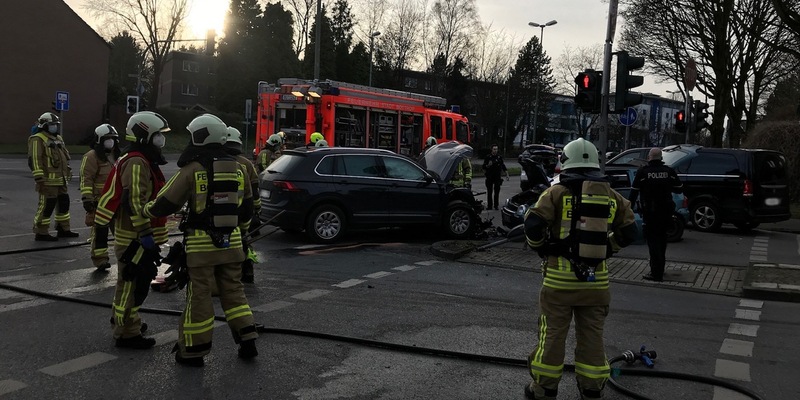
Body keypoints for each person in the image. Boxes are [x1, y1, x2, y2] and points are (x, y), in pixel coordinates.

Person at [523, 138, 638, 400]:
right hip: (596, 284)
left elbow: (533, 225)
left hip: (558, 284)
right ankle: (592, 388)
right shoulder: (612, 196)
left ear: (565, 162)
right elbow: (630, 231)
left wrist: (541, 247)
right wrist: (608, 248)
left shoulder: (555, 193)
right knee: (592, 336)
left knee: (553, 335)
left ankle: (544, 388)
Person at [143, 114, 258, 367]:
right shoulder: (239, 168)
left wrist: (145, 210)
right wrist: (241, 236)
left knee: (200, 296)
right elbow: (247, 210)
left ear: (199, 136)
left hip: (201, 248)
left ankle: (194, 351)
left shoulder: (193, 169)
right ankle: (248, 339)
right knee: (234, 291)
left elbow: (166, 202)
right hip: (233, 244)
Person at [93, 111, 171, 350]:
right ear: (145, 134)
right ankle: (127, 332)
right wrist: (146, 233)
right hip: (134, 236)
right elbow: (134, 201)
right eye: (158, 135)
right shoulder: (137, 161)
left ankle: (125, 321)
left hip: (134, 234)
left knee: (131, 282)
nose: (161, 139)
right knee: (133, 283)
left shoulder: (138, 158)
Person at [629, 147, 683, 282]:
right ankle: (660, 269)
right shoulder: (669, 171)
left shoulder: (643, 172)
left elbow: (633, 193)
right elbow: (679, 188)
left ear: (649, 158)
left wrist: (628, 209)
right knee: (662, 241)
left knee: (653, 243)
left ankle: (655, 273)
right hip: (666, 212)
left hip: (650, 212)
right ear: (661, 158)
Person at [27, 112, 80, 241]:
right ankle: (41, 232)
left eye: (56, 124)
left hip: (61, 180)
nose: (54, 127)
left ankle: (63, 229)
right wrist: (39, 178)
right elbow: (35, 159)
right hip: (47, 181)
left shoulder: (58, 139)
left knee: (64, 204)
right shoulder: (37, 139)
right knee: (47, 206)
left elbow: (64, 157)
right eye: (52, 125)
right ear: (44, 125)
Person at [80, 124, 121, 270]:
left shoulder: (118, 156)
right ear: (99, 140)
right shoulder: (91, 157)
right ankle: (100, 260)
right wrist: (87, 199)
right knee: (100, 233)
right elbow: (86, 179)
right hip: (100, 202)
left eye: (113, 138)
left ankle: (125, 258)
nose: (110, 141)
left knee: (121, 232)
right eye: (107, 138)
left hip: (117, 201)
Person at [225, 126, 261, 283]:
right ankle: (247, 269)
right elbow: (254, 191)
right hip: (242, 212)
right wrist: (256, 211)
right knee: (244, 241)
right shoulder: (246, 164)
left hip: (222, 213)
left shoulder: (215, 162)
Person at [482, 144, 509, 210]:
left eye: (496, 149)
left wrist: (507, 174)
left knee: (497, 192)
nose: (495, 150)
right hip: (490, 177)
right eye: (494, 149)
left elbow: (503, 166)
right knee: (489, 192)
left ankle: (496, 205)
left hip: (497, 177)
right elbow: (483, 166)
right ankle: (489, 206)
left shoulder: (499, 157)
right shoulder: (488, 157)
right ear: (491, 149)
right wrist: (488, 166)